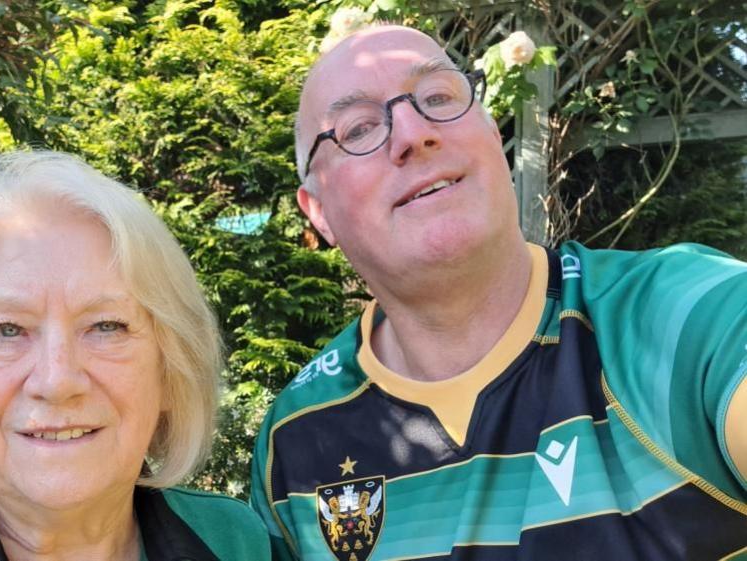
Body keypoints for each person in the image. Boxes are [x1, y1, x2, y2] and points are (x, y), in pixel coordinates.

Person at [249, 24, 747, 561]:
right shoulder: (295, 439)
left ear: (491, 132)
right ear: (319, 213)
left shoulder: (682, 319)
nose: (414, 133)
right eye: (360, 128)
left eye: (437, 97)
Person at [0, 150, 270, 561]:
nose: (56, 382)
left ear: (170, 370)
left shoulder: (237, 542)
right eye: (7, 330)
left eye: (107, 326)